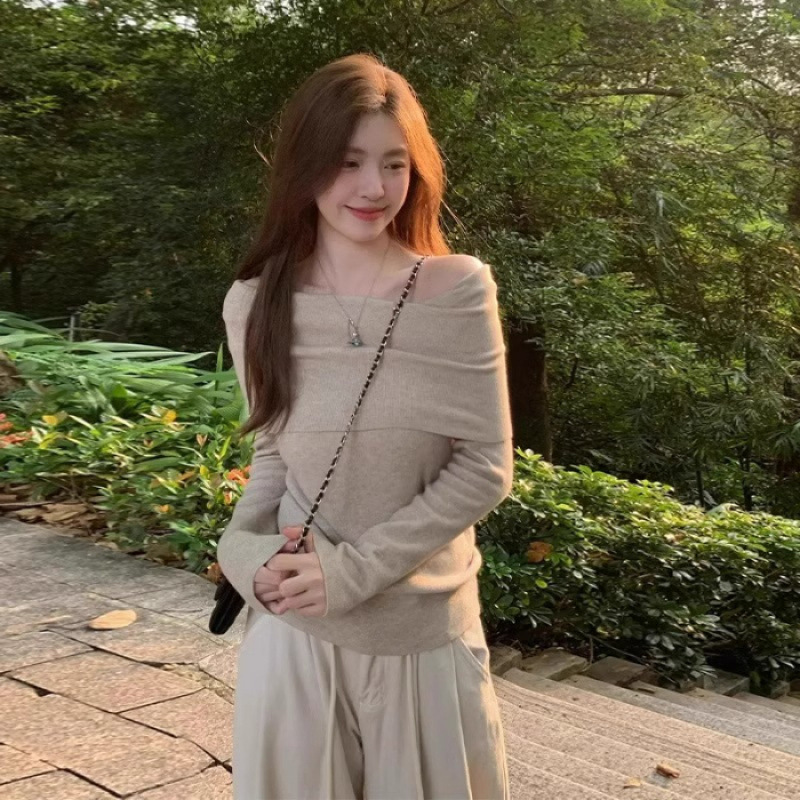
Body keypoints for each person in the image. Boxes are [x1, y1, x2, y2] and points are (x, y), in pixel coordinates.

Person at [217, 52, 515, 800]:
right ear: (305, 166)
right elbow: (274, 457)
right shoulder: (256, 302)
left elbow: (484, 466)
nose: (373, 188)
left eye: (393, 164)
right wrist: (243, 552)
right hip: (293, 634)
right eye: (347, 162)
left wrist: (351, 572)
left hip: (421, 637)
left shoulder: (455, 291)